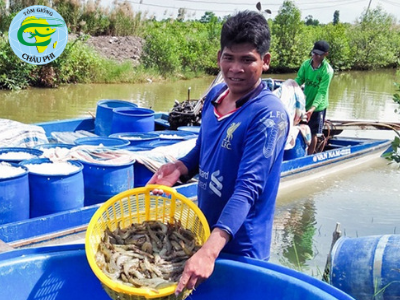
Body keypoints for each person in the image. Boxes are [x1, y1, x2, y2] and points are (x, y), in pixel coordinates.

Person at [148, 10, 289, 296]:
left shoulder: (268, 116)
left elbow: (248, 189)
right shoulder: (216, 96)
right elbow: (204, 149)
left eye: (247, 59)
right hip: (202, 234)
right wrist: (180, 167)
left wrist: (210, 252)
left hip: (241, 246)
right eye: (229, 57)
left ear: (266, 61)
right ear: (218, 57)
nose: (235, 68)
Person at [295, 40, 334, 155]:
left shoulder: (327, 71)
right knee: (301, 128)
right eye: (314, 53)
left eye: (319, 54)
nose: (315, 57)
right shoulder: (306, 64)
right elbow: (299, 80)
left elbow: (322, 92)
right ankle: (300, 152)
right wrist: (290, 86)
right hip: (305, 103)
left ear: (325, 54)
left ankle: (310, 156)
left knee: (313, 133)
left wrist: (312, 108)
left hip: (317, 107)